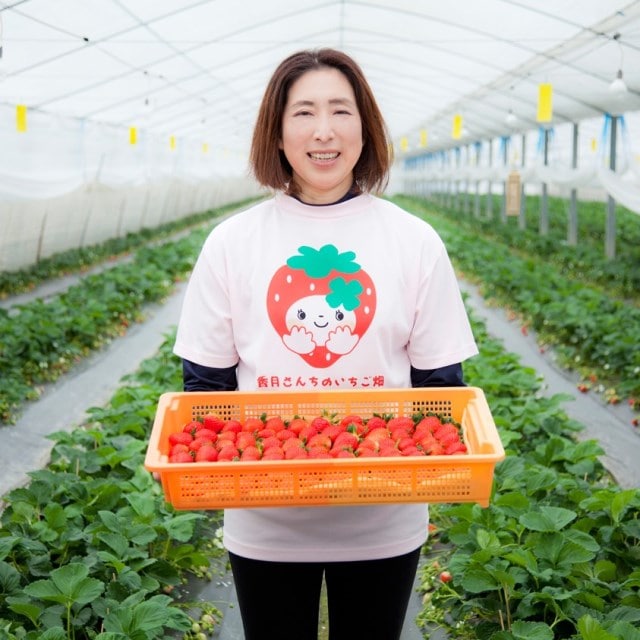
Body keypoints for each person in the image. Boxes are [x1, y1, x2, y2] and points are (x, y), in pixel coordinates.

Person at [173, 48, 478, 640]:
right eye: (303, 112)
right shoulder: (232, 241)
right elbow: (204, 390)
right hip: (265, 517)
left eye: (341, 110)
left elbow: (441, 389)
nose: (323, 131)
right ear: (277, 132)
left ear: (365, 127)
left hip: (384, 513)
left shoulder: (413, 240)